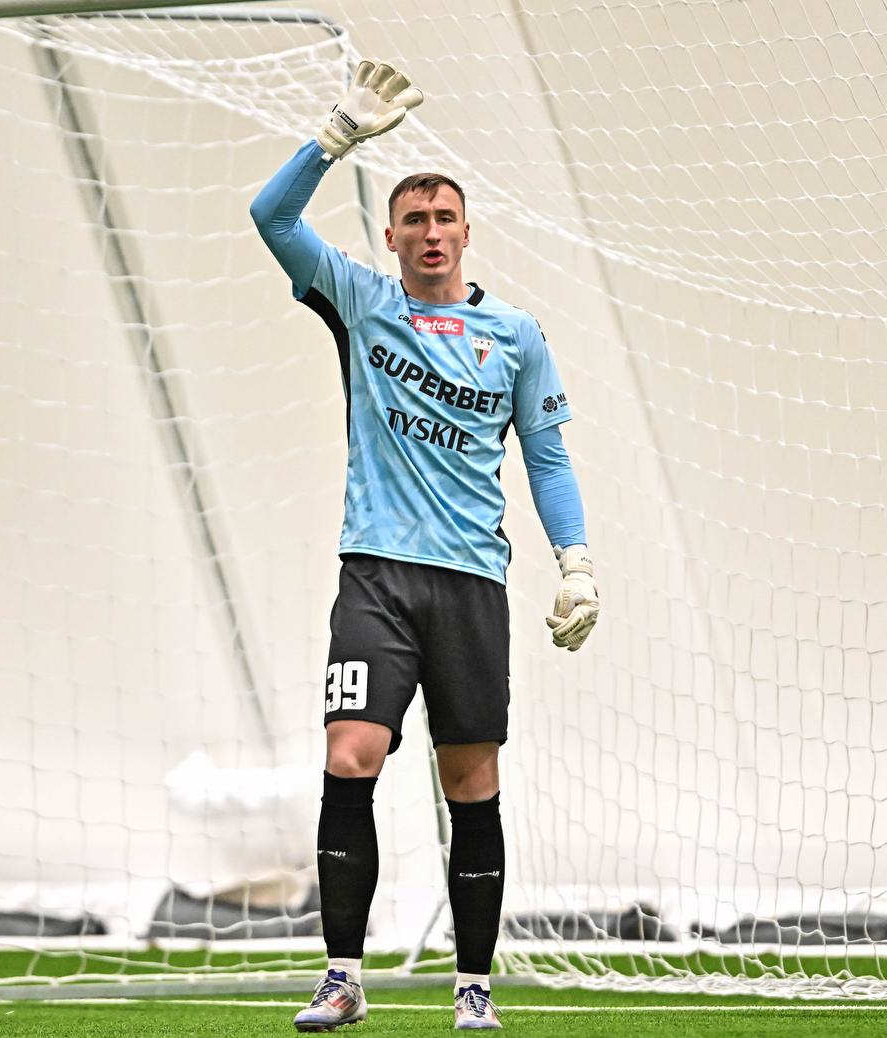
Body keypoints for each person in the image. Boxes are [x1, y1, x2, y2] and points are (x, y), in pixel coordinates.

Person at [250, 59, 599, 1032]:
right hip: (375, 576)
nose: (431, 231)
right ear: (393, 236)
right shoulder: (362, 301)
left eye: (445, 217)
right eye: (414, 219)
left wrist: (575, 564)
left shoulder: (515, 334)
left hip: (471, 583)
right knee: (350, 753)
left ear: (466, 233)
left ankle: (473, 988)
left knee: (470, 781)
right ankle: (341, 977)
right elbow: (271, 218)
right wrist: (334, 138)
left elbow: (546, 456)